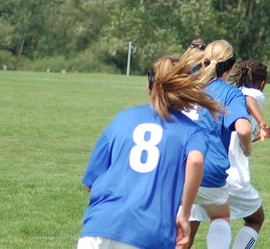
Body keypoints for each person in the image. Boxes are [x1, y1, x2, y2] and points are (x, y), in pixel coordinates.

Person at [77, 56, 223, 249]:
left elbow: (91, 183)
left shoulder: (123, 118)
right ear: (186, 90)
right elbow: (195, 160)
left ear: (149, 86)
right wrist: (185, 213)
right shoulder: (192, 131)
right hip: (148, 232)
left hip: (98, 227)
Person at [191, 59, 270, 249]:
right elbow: (249, 98)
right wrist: (263, 123)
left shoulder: (226, 93)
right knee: (255, 219)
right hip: (233, 176)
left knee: (191, 230)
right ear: (262, 83)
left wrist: (254, 136)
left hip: (206, 172)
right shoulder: (250, 94)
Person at [185, 40, 254, 249]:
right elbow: (244, 129)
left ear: (204, 61)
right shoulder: (230, 93)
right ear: (231, 67)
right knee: (221, 217)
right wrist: (247, 148)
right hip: (208, 169)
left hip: (176, 167)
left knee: (180, 230)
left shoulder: (186, 86)